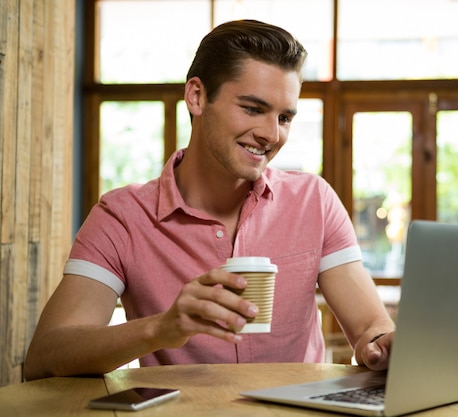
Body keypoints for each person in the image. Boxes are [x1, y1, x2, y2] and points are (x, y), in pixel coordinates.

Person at [24, 19, 395, 381]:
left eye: (284, 117)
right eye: (252, 109)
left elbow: (369, 327)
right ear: (197, 96)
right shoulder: (122, 216)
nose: (270, 134)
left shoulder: (314, 201)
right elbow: (46, 355)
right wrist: (161, 328)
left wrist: (383, 345)